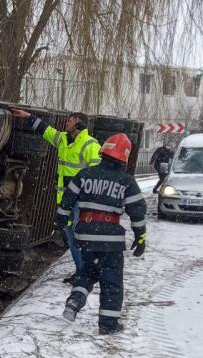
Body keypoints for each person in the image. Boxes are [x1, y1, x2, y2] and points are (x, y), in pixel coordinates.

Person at [57, 133, 147, 335]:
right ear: (124, 157)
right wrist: (140, 237)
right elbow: (138, 212)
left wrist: (60, 225)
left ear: (103, 151)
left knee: (88, 272)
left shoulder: (84, 174)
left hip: (85, 235)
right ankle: (108, 324)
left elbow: (66, 202)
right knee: (111, 281)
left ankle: (74, 301)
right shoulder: (126, 181)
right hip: (110, 240)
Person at [11, 108, 102, 284]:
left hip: (81, 202)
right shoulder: (63, 140)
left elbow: (98, 175)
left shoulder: (91, 145)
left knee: (80, 238)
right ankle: (82, 272)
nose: (66, 123)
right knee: (72, 238)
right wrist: (29, 117)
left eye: (69, 121)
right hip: (66, 201)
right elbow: (46, 130)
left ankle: (87, 274)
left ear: (78, 122)